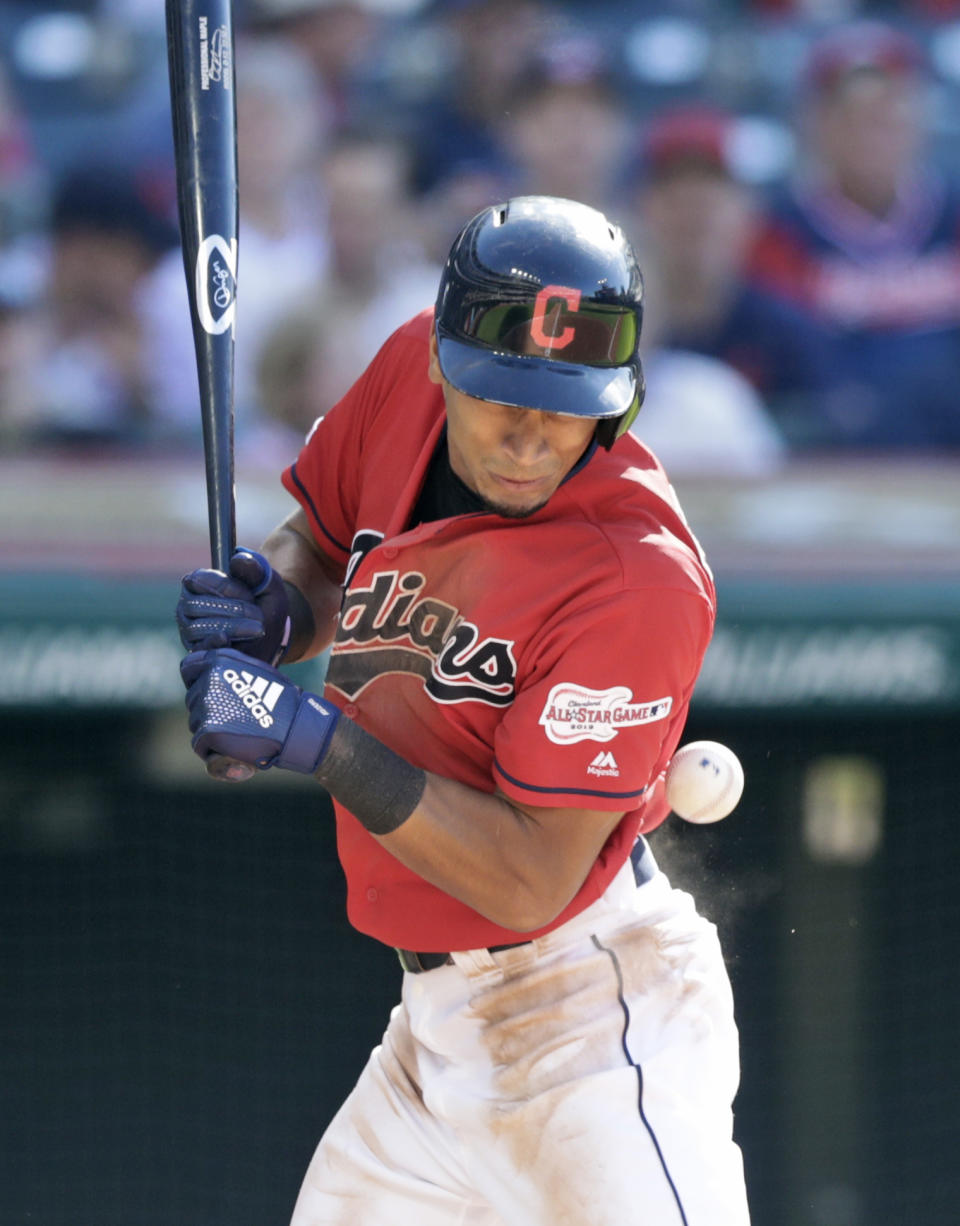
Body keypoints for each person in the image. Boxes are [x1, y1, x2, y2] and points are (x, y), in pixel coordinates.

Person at [176, 195, 752, 1225]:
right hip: (434, 1039)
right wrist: (275, 606)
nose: (533, 438)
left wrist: (316, 739)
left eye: (568, 407)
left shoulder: (638, 576)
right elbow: (322, 533)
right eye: (504, 399)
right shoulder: (407, 371)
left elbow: (531, 879)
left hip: (589, 1029)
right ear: (444, 362)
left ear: (619, 401)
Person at [748, 20, 960, 450]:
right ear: (814, 123)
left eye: (888, 109)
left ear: (918, 116)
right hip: (831, 460)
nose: (871, 130)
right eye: (849, 113)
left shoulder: (952, 217)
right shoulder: (775, 235)